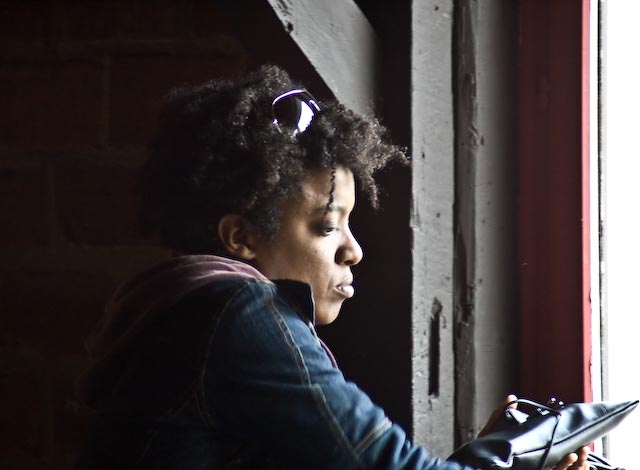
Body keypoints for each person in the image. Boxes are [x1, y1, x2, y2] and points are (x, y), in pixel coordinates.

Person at [74, 65, 589, 469]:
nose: (353, 250)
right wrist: (514, 453)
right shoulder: (238, 312)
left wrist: (493, 453)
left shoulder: (177, 306)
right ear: (242, 237)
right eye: (327, 226)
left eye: (349, 223)